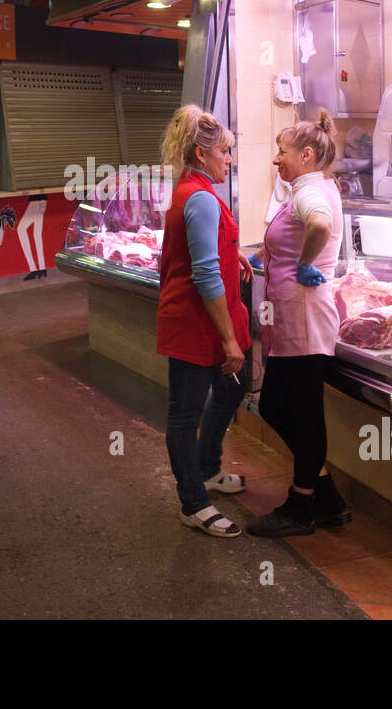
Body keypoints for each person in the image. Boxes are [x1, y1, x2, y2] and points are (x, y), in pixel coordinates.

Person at [247, 109, 352, 537]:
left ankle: (301, 506)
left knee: (305, 415)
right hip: (292, 319)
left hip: (305, 318)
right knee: (273, 405)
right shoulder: (315, 184)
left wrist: (306, 262)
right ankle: (326, 498)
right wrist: (261, 259)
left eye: (282, 152)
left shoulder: (309, 190)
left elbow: (320, 224)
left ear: (306, 155)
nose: (277, 159)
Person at [156, 105, 253, 537]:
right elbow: (204, 272)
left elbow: (210, 251)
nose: (229, 160)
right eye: (225, 153)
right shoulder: (198, 196)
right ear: (201, 154)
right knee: (184, 413)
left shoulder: (197, 191)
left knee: (234, 389)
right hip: (196, 324)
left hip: (210, 319)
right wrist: (229, 340)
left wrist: (237, 254)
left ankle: (209, 467)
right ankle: (193, 502)